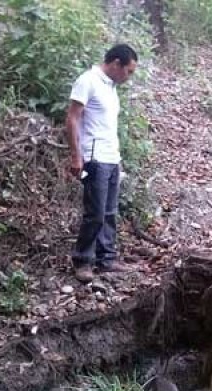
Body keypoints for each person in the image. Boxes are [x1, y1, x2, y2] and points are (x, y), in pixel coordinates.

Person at [66, 43, 139, 283]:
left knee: (109, 213)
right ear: (116, 63)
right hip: (94, 158)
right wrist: (76, 156)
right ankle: (82, 261)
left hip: (111, 158)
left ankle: (106, 260)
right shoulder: (88, 80)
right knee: (95, 213)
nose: (128, 77)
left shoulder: (110, 86)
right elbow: (73, 119)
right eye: (128, 71)